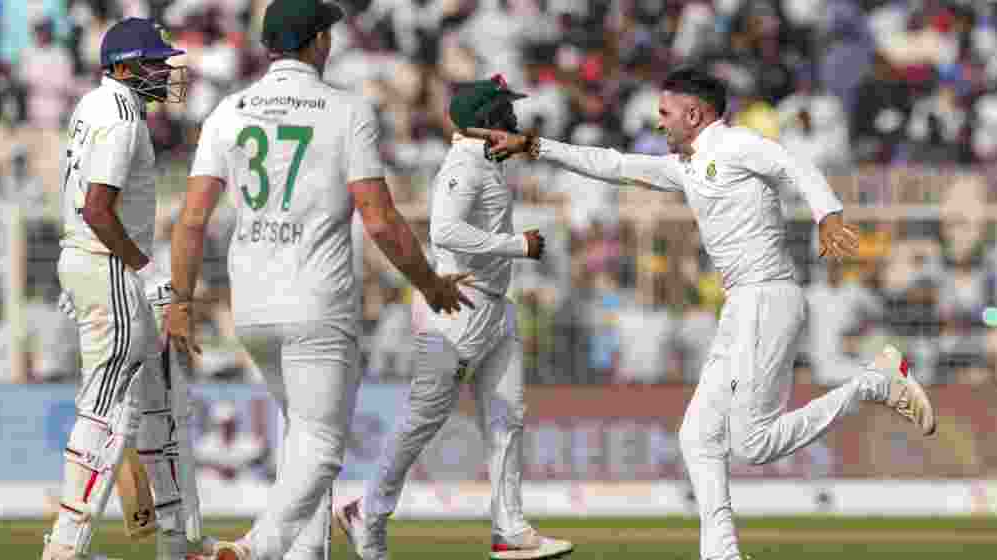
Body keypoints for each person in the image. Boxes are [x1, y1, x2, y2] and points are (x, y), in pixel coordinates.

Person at [465, 67, 937, 560]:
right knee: (697, 438)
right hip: (743, 306)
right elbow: (613, 163)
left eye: (666, 115)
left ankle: (874, 382)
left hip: (766, 297)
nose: (659, 124)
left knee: (753, 445)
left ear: (695, 114)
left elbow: (794, 165)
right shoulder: (686, 165)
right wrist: (533, 146)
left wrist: (828, 213)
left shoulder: (733, 145)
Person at [166, 1, 472, 559]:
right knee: (323, 443)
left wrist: (181, 302)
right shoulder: (345, 109)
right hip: (318, 302)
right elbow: (379, 219)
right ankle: (252, 552)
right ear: (318, 43)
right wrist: (428, 282)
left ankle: (304, 554)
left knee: (301, 433)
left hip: (252, 306)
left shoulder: (228, 111)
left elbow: (190, 218)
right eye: (327, 33)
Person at [333, 75, 574, 560]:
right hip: (459, 310)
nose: (513, 119)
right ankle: (368, 511)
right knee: (424, 417)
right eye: (505, 112)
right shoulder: (463, 165)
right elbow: (445, 232)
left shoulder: (486, 161)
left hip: (495, 307)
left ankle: (510, 529)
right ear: (486, 121)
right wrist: (517, 245)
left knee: (508, 417)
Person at [43, 17, 215, 560]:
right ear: (122, 67)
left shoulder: (94, 104)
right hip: (111, 266)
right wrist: (145, 271)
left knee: (157, 400)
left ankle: (175, 540)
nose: (165, 71)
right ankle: (66, 547)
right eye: (154, 62)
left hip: (91, 263)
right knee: (108, 407)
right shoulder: (119, 116)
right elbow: (98, 210)